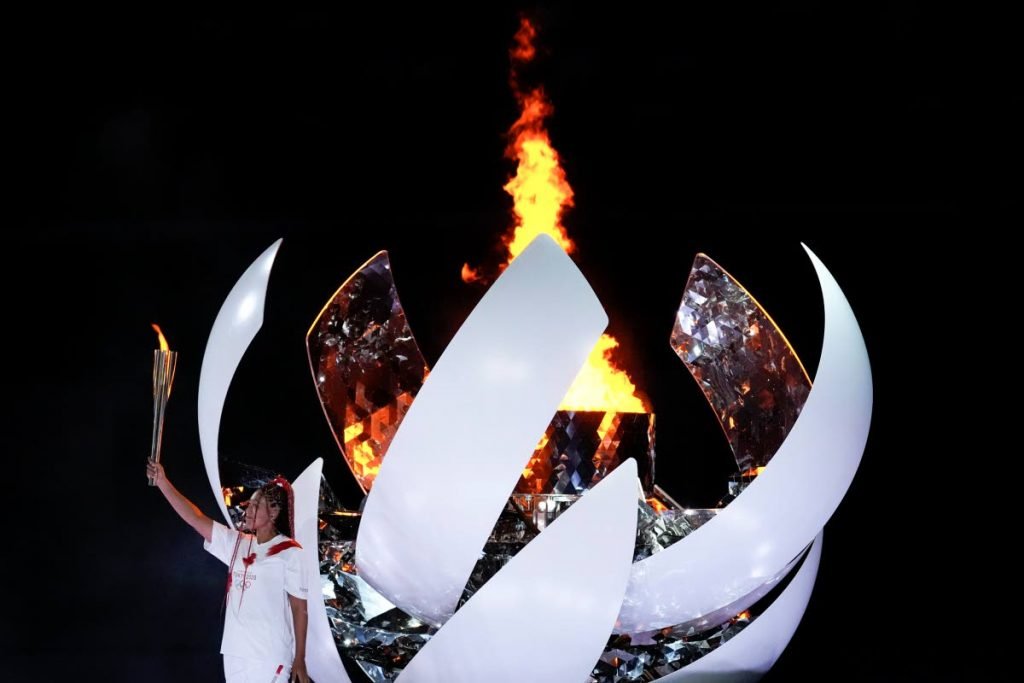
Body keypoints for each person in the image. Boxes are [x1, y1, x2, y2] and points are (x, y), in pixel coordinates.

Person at [147, 459, 311, 683]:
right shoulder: (237, 543)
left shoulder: (290, 552)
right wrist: (163, 482)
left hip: (268, 656)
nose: (248, 510)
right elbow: (195, 519)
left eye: (255, 506)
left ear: (273, 513)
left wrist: (300, 658)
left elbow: (299, 608)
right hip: (235, 652)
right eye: (249, 505)